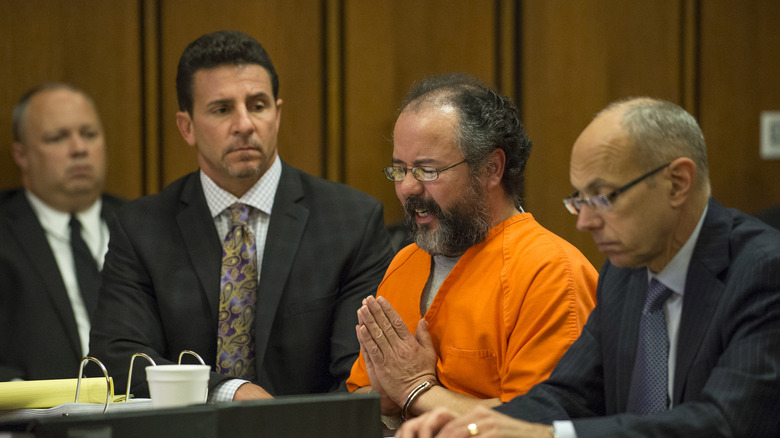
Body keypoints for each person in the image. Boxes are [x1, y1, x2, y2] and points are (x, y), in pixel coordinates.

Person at [397, 97, 780, 437]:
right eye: (579, 199)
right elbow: (566, 395)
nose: (585, 222)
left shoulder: (763, 271)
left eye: (602, 198)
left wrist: (552, 436)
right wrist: (473, 428)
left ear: (678, 183)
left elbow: (726, 422)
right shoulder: (624, 273)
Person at [88, 30, 394, 401]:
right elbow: (120, 359)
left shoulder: (351, 222)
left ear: (277, 115)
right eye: (222, 109)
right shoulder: (141, 228)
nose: (245, 124)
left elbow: (359, 372)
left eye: (258, 105)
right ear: (186, 127)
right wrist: (229, 393)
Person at [346, 73, 598, 426]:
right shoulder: (405, 262)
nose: (407, 188)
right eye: (400, 169)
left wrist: (418, 391)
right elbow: (363, 395)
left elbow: (540, 425)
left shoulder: (552, 271)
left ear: (491, 169)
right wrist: (388, 397)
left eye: (427, 170)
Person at [0, 83, 123, 381]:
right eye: (58, 138)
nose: (79, 149)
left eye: (89, 135)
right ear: (21, 155)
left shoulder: (142, 225)